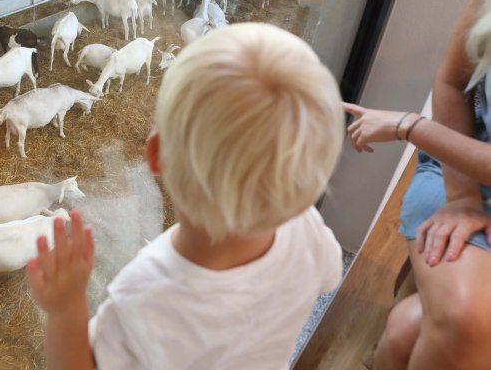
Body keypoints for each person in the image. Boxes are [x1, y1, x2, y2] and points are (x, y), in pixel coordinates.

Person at [25, 23, 346, 370]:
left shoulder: (144, 293)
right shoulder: (305, 228)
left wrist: (66, 310)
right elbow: (330, 277)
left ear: (156, 156)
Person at [344, 0, 491, 370]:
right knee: (459, 324)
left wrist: (410, 126)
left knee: (412, 327)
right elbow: (452, 78)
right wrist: (461, 196)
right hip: (463, 171)